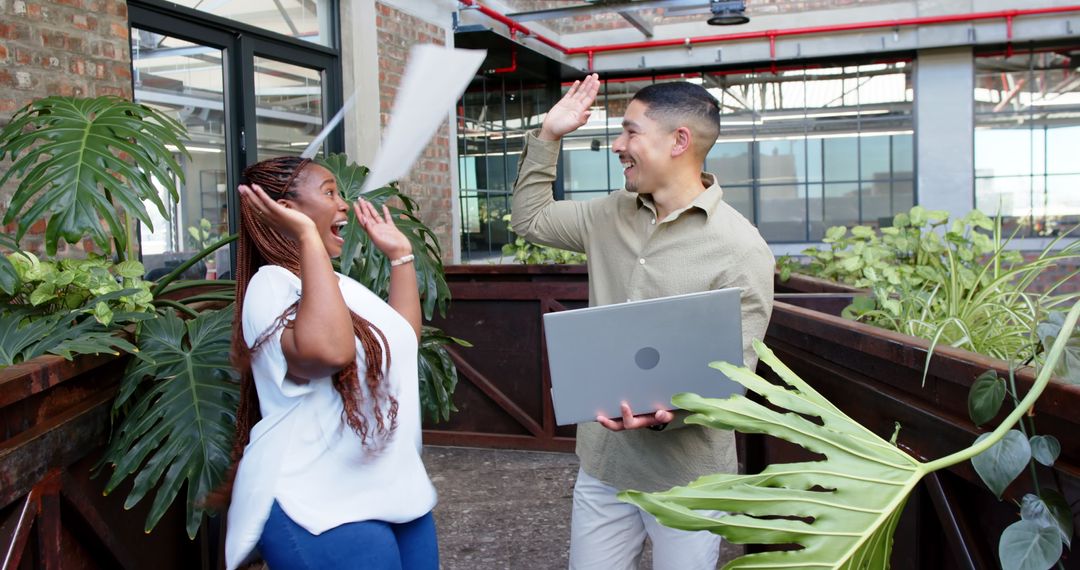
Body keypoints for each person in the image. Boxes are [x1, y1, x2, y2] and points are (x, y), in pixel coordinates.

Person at [511, 74, 775, 569]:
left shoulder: (742, 248)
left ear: (679, 141)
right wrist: (548, 137)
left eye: (631, 132)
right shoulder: (609, 214)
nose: (618, 145)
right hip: (604, 463)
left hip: (690, 477)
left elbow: (735, 375)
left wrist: (671, 413)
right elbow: (531, 221)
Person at [218, 156, 438, 570]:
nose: (343, 205)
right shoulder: (271, 286)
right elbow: (329, 354)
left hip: (394, 489)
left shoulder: (337, 285)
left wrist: (401, 257)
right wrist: (306, 237)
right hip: (316, 500)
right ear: (286, 210)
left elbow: (400, 340)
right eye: (330, 193)